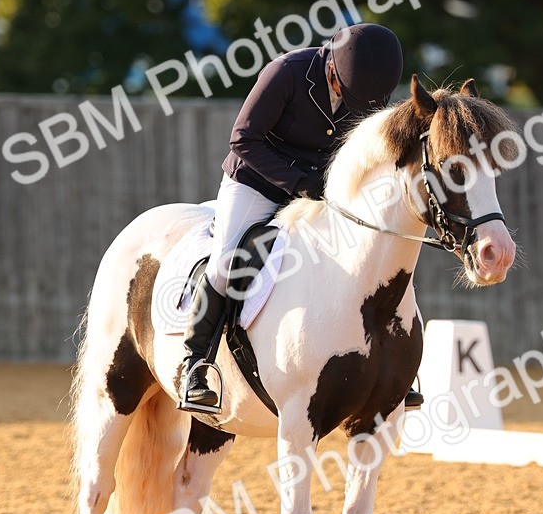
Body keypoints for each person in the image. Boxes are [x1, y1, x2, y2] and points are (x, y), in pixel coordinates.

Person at [177, 22, 424, 412]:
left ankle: (398, 365)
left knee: (377, 255)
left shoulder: (368, 92)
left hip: (326, 190)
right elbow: (243, 138)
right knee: (228, 261)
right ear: (331, 69)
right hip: (257, 182)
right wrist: (297, 181)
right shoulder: (286, 72)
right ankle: (195, 366)